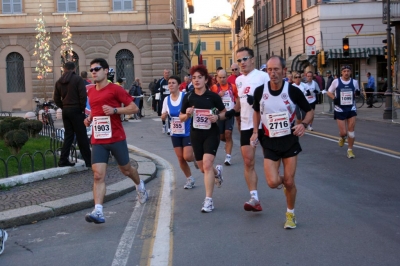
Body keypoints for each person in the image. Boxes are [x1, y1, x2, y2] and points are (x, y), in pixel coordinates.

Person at [250, 56, 313, 229]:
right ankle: (287, 185)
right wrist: (255, 131)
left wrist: (304, 125)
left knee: (290, 182)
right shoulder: (259, 91)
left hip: (289, 140)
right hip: (269, 141)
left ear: (284, 71)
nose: (273, 73)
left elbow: (309, 111)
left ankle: (290, 215)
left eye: (276, 69)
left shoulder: (292, 90)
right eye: (269, 70)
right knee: (272, 183)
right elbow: (256, 112)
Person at [84, 58, 148, 224]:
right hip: (98, 139)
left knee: (126, 170)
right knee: (98, 175)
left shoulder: (115, 89)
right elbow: (96, 110)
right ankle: (98, 211)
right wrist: (89, 118)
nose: (93, 72)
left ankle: (139, 185)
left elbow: (134, 108)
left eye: (97, 69)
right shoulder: (90, 91)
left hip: (116, 137)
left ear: (106, 71)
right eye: (91, 70)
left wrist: (115, 110)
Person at [226, 47, 270, 212]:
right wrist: (231, 111)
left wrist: (258, 101)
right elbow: (239, 102)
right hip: (246, 125)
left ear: (252, 59)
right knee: (248, 161)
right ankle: (254, 198)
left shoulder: (263, 76)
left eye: (245, 59)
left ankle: (282, 181)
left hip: (264, 125)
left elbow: (272, 97)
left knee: (270, 163)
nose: (242, 63)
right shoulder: (239, 80)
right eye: (239, 60)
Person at [179, 65, 227, 213]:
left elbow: (224, 112)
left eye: (200, 77)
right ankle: (217, 173)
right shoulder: (188, 96)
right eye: (194, 78)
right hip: (196, 135)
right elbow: (181, 118)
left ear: (206, 80)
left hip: (211, 134)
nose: (196, 80)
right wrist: (187, 114)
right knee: (202, 168)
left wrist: (217, 117)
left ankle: (208, 200)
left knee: (206, 165)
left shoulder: (212, 97)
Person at [161, 75, 197, 189]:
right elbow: (162, 116)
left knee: (187, 157)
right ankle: (190, 179)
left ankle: (195, 157)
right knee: (180, 158)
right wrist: (164, 115)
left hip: (187, 131)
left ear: (179, 85)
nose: (170, 85)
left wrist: (189, 112)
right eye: (169, 83)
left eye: (173, 83)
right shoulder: (166, 99)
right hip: (175, 133)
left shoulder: (185, 97)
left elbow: (193, 109)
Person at [54, 61, 92, 168]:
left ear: (64, 69)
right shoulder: (78, 79)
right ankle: (89, 162)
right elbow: (83, 96)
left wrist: (63, 107)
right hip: (76, 110)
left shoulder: (59, 81)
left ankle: (63, 160)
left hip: (66, 111)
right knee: (82, 136)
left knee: (68, 136)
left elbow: (56, 99)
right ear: (74, 69)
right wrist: (81, 109)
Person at [326, 65, 359, 159]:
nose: (346, 73)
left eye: (348, 71)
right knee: (344, 132)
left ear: (351, 72)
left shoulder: (355, 82)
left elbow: (356, 91)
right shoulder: (336, 81)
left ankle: (350, 150)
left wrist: (357, 94)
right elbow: (329, 92)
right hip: (339, 109)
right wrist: (334, 98)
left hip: (351, 108)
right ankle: (342, 137)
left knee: (351, 132)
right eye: (344, 71)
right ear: (341, 72)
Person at [210, 69, 238, 165]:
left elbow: (237, 98)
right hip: (219, 114)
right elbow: (210, 101)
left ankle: (228, 157)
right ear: (217, 78)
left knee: (228, 134)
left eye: (224, 77)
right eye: (220, 77)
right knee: (221, 136)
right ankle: (227, 143)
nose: (222, 79)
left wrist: (236, 109)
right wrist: (218, 95)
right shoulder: (214, 88)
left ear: (227, 77)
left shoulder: (232, 87)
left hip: (229, 113)